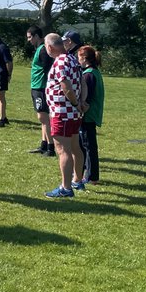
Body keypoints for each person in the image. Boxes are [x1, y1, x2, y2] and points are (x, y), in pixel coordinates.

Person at [44, 33, 85, 198]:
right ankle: (77, 180)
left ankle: (66, 188)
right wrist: (81, 103)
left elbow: (66, 86)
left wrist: (75, 103)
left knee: (63, 150)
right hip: (73, 112)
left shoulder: (60, 61)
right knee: (75, 147)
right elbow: (82, 82)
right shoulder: (72, 58)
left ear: (49, 47)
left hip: (62, 112)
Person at [75, 45, 105, 186]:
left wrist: (80, 108)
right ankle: (87, 174)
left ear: (84, 58)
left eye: (79, 57)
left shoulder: (88, 75)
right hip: (92, 114)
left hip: (88, 115)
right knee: (87, 145)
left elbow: (86, 97)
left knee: (88, 146)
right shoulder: (95, 72)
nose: (77, 60)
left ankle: (92, 177)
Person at [26, 25, 55, 156]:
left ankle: (51, 147)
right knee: (42, 118)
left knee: (43, 117)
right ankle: (44, 145)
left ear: (37, 36)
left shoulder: (43, 50)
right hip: (36, 87)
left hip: (41, 87)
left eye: (30, 37)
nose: (28, 40)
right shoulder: (39, 49)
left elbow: (49, 69)